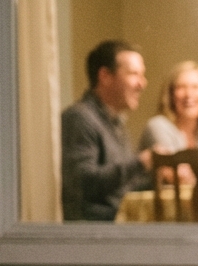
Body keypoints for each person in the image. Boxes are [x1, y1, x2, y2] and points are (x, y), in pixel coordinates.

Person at [61, 40, 151, 221]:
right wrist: (141, 163)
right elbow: (83, 184)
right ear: (105, 76)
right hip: (91, 238)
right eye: (134, 74)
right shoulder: (79, 118)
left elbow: (121, 190)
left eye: (143, 75)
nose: (142, 84)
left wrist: (158, 176)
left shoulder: (115, 123)